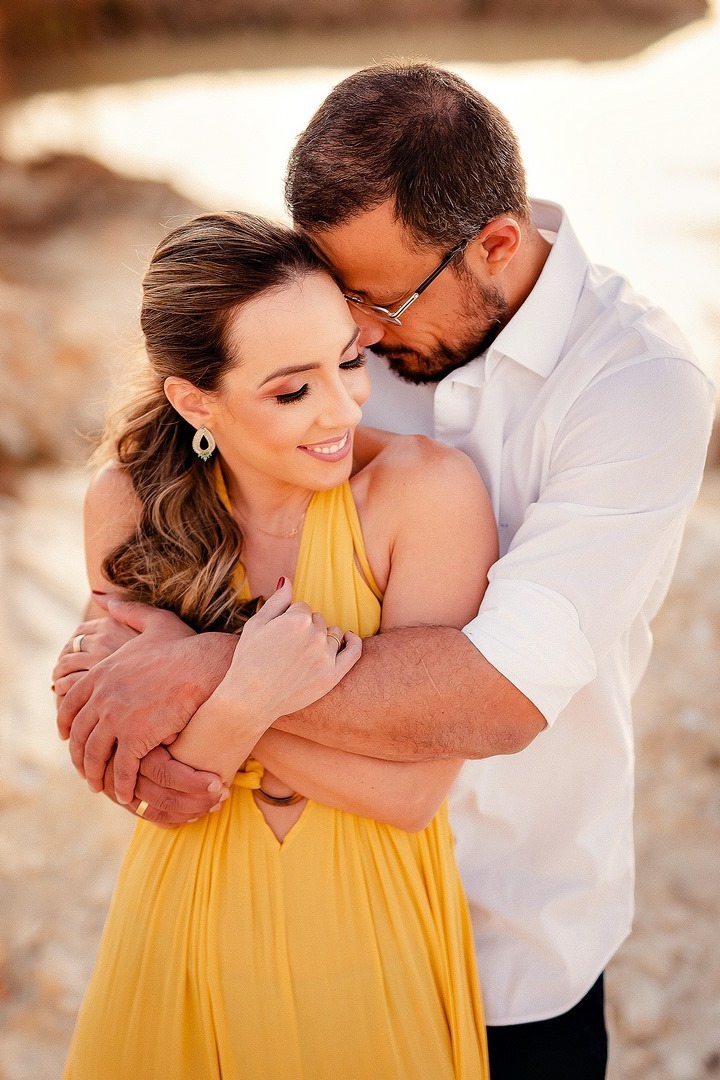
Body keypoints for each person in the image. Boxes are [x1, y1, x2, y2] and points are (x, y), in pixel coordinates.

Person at [55, 62, 715, 1079]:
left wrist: (199, 678)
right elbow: (120, 690)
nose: (352, 337)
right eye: (333, 297)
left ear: (495, 245)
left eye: (373, 302)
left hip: (508, 940)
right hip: (256, 918)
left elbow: (493, 696)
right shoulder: (342, 348)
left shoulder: (637, 388)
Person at [59, 210, 496, 1079]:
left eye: (347, 360)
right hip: (178, 917)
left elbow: (411, 793)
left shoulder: (425, 494)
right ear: (195, 401)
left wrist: (208, 689)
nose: (340, 409)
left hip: (366, 930)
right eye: (292, 390)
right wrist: (255, 693)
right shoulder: (125, 503)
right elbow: (139, 783)